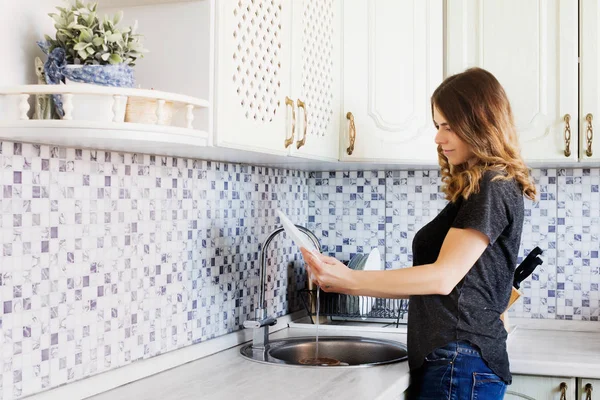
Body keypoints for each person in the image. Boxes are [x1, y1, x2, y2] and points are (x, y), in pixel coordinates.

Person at [300, 67, 537, 400]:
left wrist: (348, 280)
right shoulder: (485, 186)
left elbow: (442, 278)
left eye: (449, 127)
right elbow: (463, 283)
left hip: (458, 363)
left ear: (480, 124)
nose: (438, 138)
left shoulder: (491, 186)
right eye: (438, 126)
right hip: (459, 361)